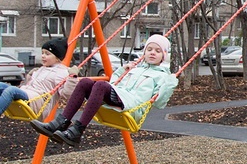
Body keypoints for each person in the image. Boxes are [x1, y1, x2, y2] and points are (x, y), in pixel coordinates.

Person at [31, 35, 178, 146]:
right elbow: (114, 83)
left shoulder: (163, 76)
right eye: (149, 49)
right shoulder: (135, 68)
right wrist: (122, 71)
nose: (152, 53)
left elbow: (159, 103)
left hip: (132, 106)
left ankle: (78, 130)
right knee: (86, 83)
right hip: (120, 97)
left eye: (158, 51)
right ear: (144, 52)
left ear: (164, 55)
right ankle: (60, 123)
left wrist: (170, 83)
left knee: (101, 85)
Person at [0, 38, 75, 140]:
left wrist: (72, 78)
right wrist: (29, 77)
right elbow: (32, 86)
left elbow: (66, 95)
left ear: (58, 57)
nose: (43, 56)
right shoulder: (42, 69)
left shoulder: (62, 72)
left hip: (39, 103)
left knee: (10, 90)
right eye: (42, 53)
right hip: (29, 96)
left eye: (47, 54)